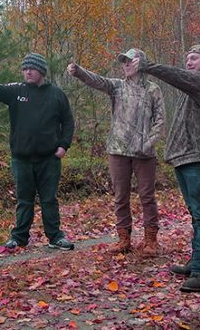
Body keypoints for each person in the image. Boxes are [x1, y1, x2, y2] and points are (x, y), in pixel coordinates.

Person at [132, 44, 200, 292]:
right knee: (197, 216)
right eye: (187, 58)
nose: (188, 61)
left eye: (193, 58)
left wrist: (148, 65)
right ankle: (196, 262)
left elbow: (179, 76)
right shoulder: (194, 87)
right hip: (186, 160)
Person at [0, 53, 76, 251]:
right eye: (25, 69)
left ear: (41, 71)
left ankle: (55, 237)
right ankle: (19, 238)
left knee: (49, 199)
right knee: (24, 200)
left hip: (49, 158)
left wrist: (63, 145)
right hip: (22, 158)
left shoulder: (56, 94)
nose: (28, 72)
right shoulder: (17, 91)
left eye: (32, 68)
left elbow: (67, 121)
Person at [67, 48, 165, 257]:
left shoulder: (153, 89)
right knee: (120, 196)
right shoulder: (117, 87)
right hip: (118, 150)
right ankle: (123, 239)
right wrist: (78, 71)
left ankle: (151, 241)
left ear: (141, 63)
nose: (126, 65)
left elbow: (160, 120)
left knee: (146, 196)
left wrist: (147, 143)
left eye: (130, 61)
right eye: (124, 62)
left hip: (144, 153)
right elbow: (97, 81)